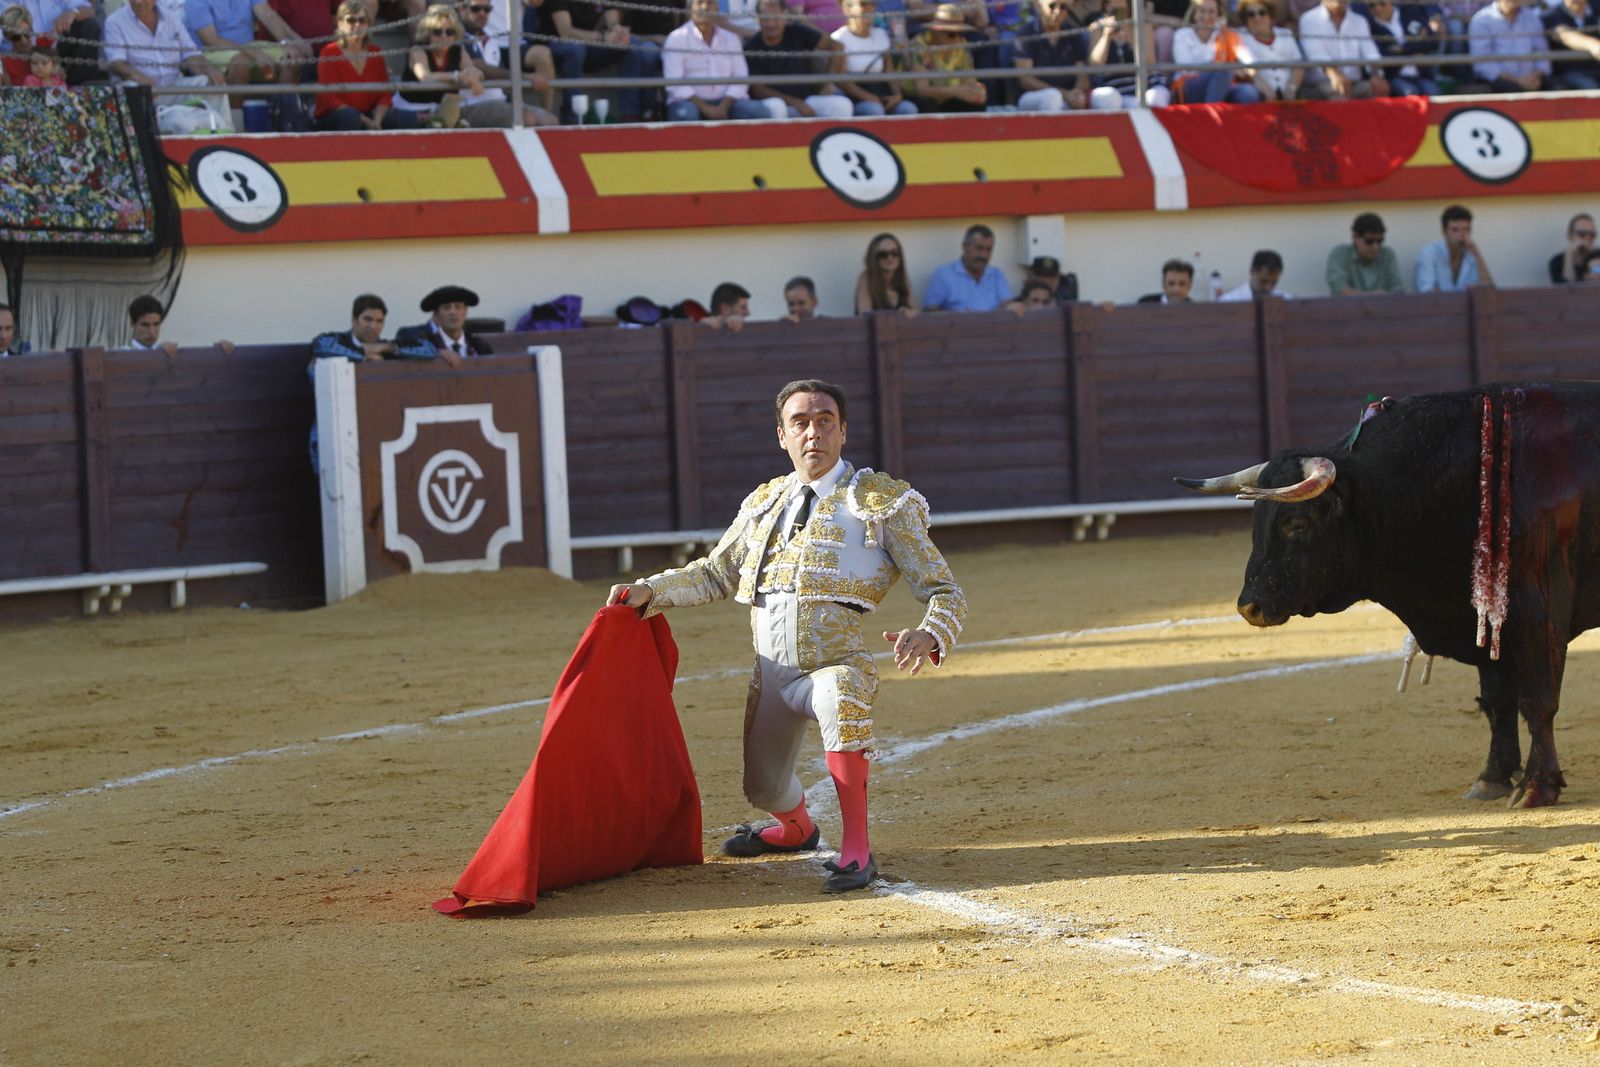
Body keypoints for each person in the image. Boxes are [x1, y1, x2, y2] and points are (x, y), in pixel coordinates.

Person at [605, 378, 967, 894]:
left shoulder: (879, 501)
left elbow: (945, 590)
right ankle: (796, 828)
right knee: (763, 786)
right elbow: (716, 573)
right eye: (800, 422)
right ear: (782, 435)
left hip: (836, 661)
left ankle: (857, 851)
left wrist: (929, 634)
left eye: (825, 420)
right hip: (771, 673)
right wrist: (649, 590)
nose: (813, 432)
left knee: (842, 700)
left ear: (843, 430)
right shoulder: (765, 502)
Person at [546, 0, 659, 123]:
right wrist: (602, 37)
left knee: (632, 44)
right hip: (556, 47)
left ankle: (630, 115)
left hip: (592, 47)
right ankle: (571, 115)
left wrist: (616, 30)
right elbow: (565, 32)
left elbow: (610, 13)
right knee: (575, 49)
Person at [315, 1, 421, 130]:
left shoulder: (375, 52)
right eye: (351, 20)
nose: (358, 25)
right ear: (340, 23)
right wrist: (365, 121)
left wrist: (377, 120)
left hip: (369, 113)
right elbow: (330, 99)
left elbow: (384, 94)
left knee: (405, 118)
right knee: (349, 117)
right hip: (337, 115)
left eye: (362, 20)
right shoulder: (329, 52)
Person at [455, 0, 558, 126]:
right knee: (526, 119)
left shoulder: (491, 40)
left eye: (487, 9)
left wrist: (515, 100)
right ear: (461, 9)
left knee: (550, 120)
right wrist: (525, 77)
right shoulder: (454, 35)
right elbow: (479, 67)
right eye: (476, 9)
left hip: (500, 102)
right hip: (470, 104)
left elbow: (502, 80)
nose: (482, 13)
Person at [743, 0, 851, 118]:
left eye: (776, 18)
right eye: (766, 18)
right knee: (776, 106)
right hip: (779, 105)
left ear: (785, 17)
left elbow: (837, 46)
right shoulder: (752, 46)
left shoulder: (796, 31)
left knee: (842, 105)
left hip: (806, 101)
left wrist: (829, 82)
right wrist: (796, 103)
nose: (771, 24)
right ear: (758, 19)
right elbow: (758, 90)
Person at [663, 0, 766, 120]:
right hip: (690, 102)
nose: (705, 7)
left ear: (717, 8)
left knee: (760, 112)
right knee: (686, 114)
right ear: (689, 9)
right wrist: (705, 108)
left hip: (728, 102)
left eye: (710, 2)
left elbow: (741, 77)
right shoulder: (676, 39)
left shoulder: (731, 38)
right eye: (700, 2)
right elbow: (674, 83)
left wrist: (724, 106)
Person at [184, 0, 308, 90]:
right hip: (212, 52)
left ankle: (283, 115)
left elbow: (268, 15)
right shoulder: (195, 2)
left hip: (249, 48)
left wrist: (286, 42)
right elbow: (212, 41)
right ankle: (235, 121)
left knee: (293, 57)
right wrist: (253, 52)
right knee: (241, 62)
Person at [396, 4, 484, 128]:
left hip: (443, 111)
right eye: (437, 31)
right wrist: (455, 76)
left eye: (450, 32)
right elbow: (424, 76)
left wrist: (475, 77)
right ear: (427, 33)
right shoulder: (417, 49)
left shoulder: (458, 50)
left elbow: (471, 69)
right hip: (411, 110)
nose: (444, 36)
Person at [103, 0, 224, 88]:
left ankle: (223, 123)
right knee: (133, 87)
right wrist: (137, 76)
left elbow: (191, 53)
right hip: (140, 89)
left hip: (173, 86)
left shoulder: (171, 18)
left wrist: (208, 70)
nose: (138, 2)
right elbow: (117, 63)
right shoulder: (115, 22)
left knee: (213, 84)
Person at [832, 0, 918, 115]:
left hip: (881, 92)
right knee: (874, 110)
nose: (869, 8)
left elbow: (890, 73)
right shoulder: (839, 39)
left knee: (908, 109)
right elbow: (842, 81)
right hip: (855, 97)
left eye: (873, 4)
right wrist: (870, 98)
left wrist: (897, 96)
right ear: (847, 9)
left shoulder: (881, 35)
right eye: (863, 4)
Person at [901, 3, 988, 112]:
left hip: (948, 97)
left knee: (976, 105)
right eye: (951, 34)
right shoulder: (920, 45)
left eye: (960, 33)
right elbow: (922, 90)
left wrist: (976, 92)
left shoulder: (961, 45)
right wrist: (957, 91)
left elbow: (969, 81)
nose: (956, 39)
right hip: (919, 98)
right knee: (928, 105)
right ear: (936, 31)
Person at [1171, 0, 1260, 103]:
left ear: (1218, 16)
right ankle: (1210, 114)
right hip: (1189, 86)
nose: (1206, 16)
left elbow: (1251, 61)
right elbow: (1186, 68)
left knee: (1249, 93)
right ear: (1194, 14)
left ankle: (1213, 109)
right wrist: (1223, 68)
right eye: (1202, 11)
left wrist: (1242, 70)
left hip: (1221, 84)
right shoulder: (1182, 34)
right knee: (1223, 70)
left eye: (1211, 11)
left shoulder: (1226, 34)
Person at [1088, 0, 1171, 108]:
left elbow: (1150, 62)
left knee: (1155, 98)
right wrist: (1106, 37)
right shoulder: (1098, 26)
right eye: (1109, 2)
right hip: (1114, 89)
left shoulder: (1143, 24)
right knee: (1109, 98)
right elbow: (1095, 65)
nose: (1113, 5)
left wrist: (1129, 34)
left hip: (1147, 85)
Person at [1298, 0, 1388, 99]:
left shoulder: (1359, 21)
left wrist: (1376, 75)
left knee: (1379, 89)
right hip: (1322, 83)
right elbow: (1315, 54)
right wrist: (1334, 74)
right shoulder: (1309, 19)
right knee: (1339, 93)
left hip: (1355, 82)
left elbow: (1370, 52)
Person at [1012, 0, 1089, 111]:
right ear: (1038, 5)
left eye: (1063, 7)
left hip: (1067, 97)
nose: (1057, 11)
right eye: (1052, 6)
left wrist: (1076, 93)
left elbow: (1082, 74)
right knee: (1052, 97)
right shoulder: (1025, 33)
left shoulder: (1074, 33)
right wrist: (1064, 94)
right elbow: (1026, 80)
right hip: (1032, 97)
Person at [1358, 0, 1442, 96]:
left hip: (1421, 75)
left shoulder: (1410, 13)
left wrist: (1400, 49)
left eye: (1382, 3)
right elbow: (1384, 57)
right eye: (1372, 5)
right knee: (1410, 93)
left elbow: (1432, 41)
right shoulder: (1370, 27)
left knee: (1434, 92)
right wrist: (1414, 50)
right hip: (1394, 77)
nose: (1378, 8)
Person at [924, 224, 1012, 312]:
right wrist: (962, 318)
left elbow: (1008, 307)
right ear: (964, 246)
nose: (984, 255)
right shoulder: (943, 275)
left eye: (988, 250)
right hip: (958, 325)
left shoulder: (996, 275)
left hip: (994, 325)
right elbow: (929, 313)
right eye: (979, 248)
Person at [1470, 0, 1550, 92]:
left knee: (1556, 86)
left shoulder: (1532, 18)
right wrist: (1518, 81)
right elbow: (1483, 64)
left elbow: (1542, 54)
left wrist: (1535, 75)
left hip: (1533, 80)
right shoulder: (1482, 20)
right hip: (1499, 82)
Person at [1414, 204, 1494, 292]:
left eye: (1466, 229)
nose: (1461, 235)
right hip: (1436, 305)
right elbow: (1426, 292)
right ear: (1444, 232)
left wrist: (1477, 254)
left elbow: (1489, 291)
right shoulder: (1429, 253)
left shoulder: (1472, 254)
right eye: (1455, 230)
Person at [395, 285, 490, 359]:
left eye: (458, 307)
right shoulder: (427, 342)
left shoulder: (479, 346)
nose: (453, 312)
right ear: (436, 314)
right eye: (446, 308)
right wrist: (437, 352)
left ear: (465, 312)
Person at [16, 0, 98, 84]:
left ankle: (79, 87)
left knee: (89, 26)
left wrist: (73, 13)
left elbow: (89, 10)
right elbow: (7, 28)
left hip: (59, 49)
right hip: (27, 51)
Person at [1236, 0, 1304, 100]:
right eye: (1251, 14)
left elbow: (1299, 66)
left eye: (1262, 12)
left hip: (1289, 92)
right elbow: (1243, 68)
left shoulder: (1285, 34)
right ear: (1245, 19)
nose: (1257, 17)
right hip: (1260, 94)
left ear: (1270, 16)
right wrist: (1264, 88)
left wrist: (1291, 88)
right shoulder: (1239, 36)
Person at [123, 295, 237, 354]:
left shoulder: (167, 352)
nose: (152, 331)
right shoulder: (121, 355)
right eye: (145, 325)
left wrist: (219, 353)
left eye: (156, 324)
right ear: (132, 324)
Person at [1327, 210, 1404, 294]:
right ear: (1355, 237)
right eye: (1369, 241)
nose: (1375, 247)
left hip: (1383, 306)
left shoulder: (1388, 255)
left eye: (1380, 241)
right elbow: (1339, 288)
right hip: (1347, 307)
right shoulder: (1340, 254)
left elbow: (1398, 290)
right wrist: (1374, 297)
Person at [855, 232, 917, 315]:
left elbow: (914, 311)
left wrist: (909, 312)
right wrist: (895, 316)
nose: (890, 258)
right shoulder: (866, 278)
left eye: (895, 253)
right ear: (874, 258)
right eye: (883, 254)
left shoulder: (903, 275)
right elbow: (865, 316)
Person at [1545, 0, 1600, 91]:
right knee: (1591, 87)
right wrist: (1594, 45)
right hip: (1570, 73)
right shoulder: (1552, 15)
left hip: (1596, 69)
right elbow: (1565, 35)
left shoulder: (1596, 7)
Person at [1218, 250, 1292, 301]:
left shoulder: (1287, 301)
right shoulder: (1229, 300)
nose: (1268, 287)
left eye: (1274, 282)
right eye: (1264, 281)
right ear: (1251, 271)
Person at [1550, 212, 1596, 284]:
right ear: (1570, 236)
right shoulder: (1557, 261)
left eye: (1592, 235)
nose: (1587, 238)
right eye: (1582, 234)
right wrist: (1569, 255)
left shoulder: (1598, 256)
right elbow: (1564, 288)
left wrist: (1596, 268)